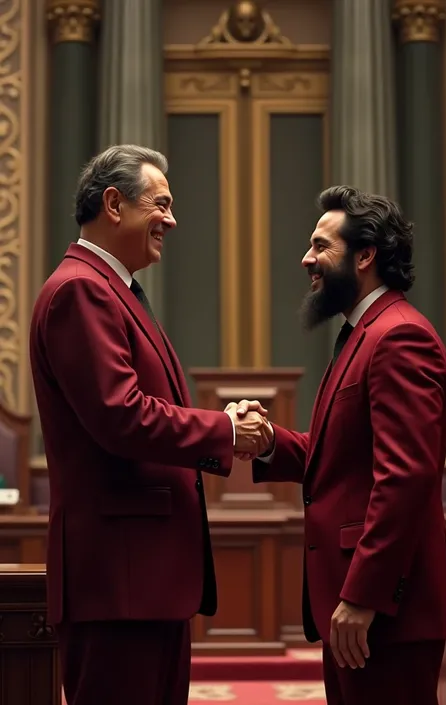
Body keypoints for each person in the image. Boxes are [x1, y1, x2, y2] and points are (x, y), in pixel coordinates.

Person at [29, 144, 272, 705]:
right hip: (119, 580)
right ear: (114, 204)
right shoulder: (81, 289)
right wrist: (225, 431)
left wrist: (222, 425)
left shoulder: (114, 290)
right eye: (160, 204)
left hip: (142, 580)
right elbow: (120, 415)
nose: (172, 219)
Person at [236, 186, 446, 705]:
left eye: (321, 246)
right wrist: (269, 442)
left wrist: (363, 595)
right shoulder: (363, 334)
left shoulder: (400, 337)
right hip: (363, 608)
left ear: (365, 256)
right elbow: (345, 456)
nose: (307, 259)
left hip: (384, 608)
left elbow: (404, 479)